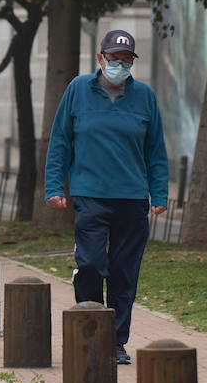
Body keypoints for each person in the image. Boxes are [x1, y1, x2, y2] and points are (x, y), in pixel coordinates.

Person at [44, 28, 168, 365]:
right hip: (91, 196)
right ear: (101, 59)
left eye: (127, 60)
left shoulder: (144, 97)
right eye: (115, 59)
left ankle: (115, 342)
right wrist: (54, 186)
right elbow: (60, 142)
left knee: (124, 274)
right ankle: (89, 331)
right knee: (91, 265)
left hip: (131, 198)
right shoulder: (77, 91)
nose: (120, 66)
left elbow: (156, 150)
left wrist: (159, 193)